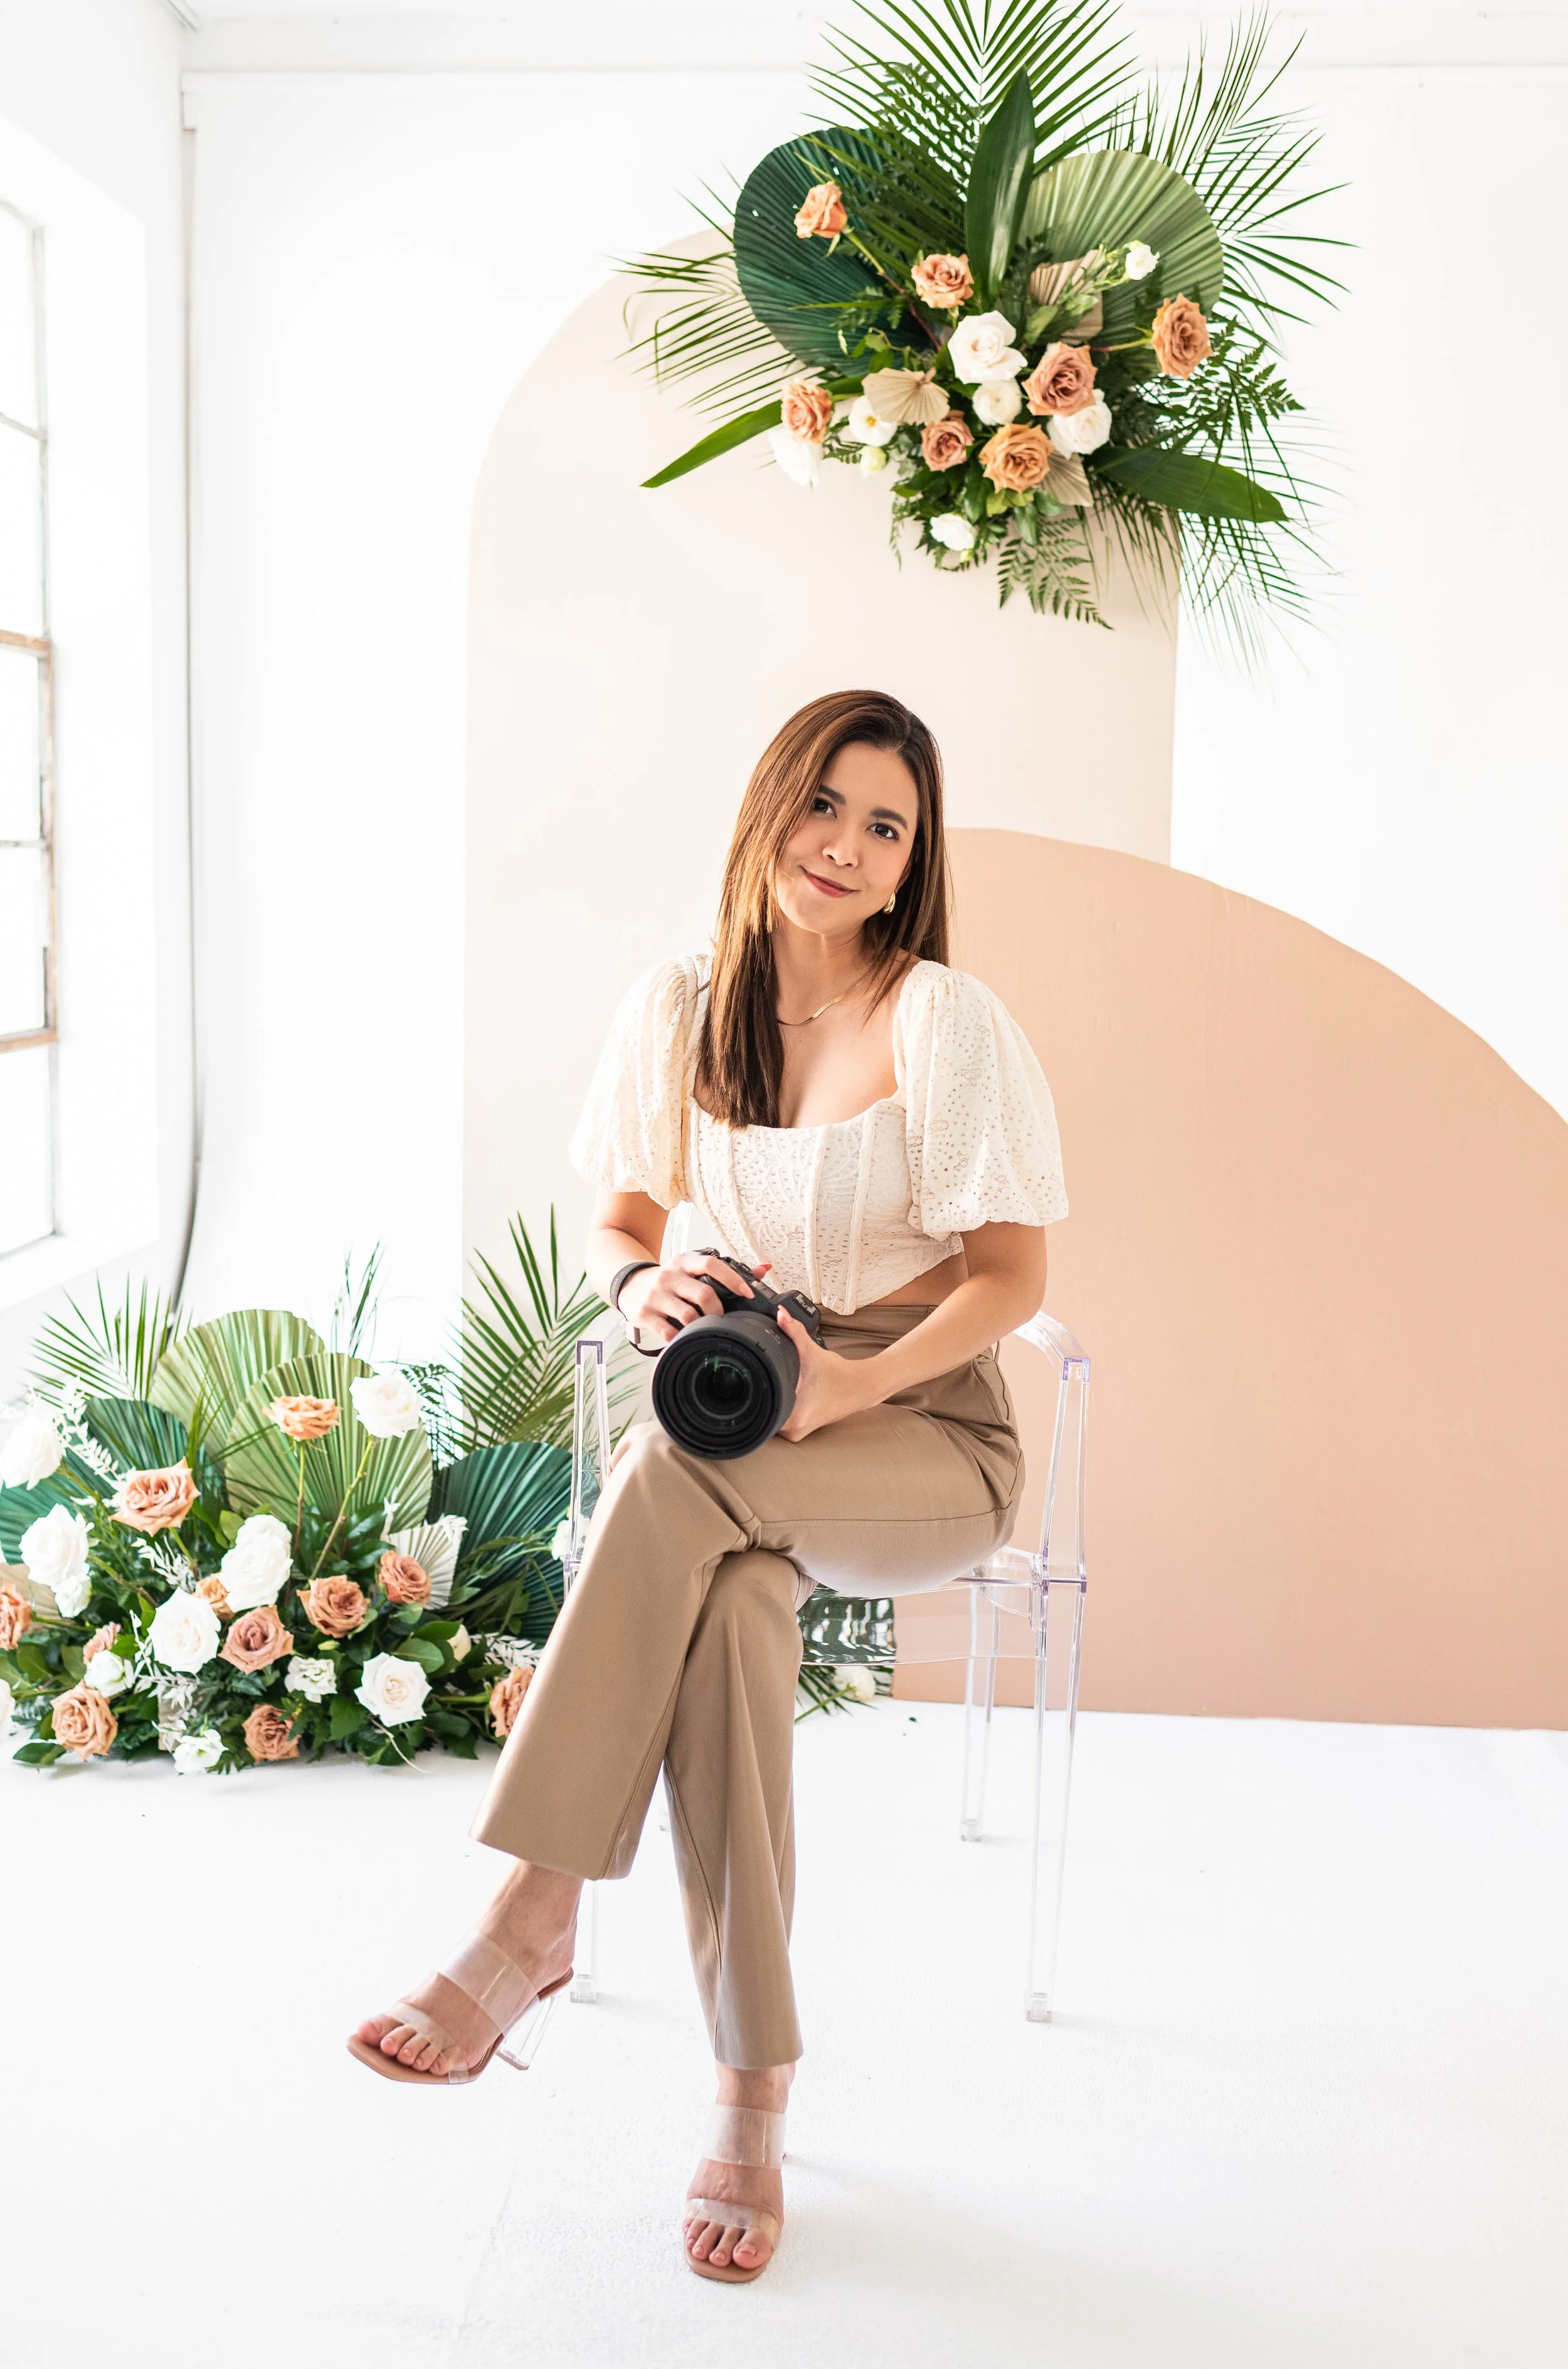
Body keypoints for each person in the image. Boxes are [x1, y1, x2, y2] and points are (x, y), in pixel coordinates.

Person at [350, 688, 1067, 2283]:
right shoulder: (683, 1003)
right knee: (735, 1607)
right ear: (767, 809)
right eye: (824, 803)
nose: (845, 844)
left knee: (672, 1476)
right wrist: (637, 1294)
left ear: (908, 864)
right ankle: (750, 2089)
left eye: (885, 825)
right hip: (741, 1432)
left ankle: (527, 1925)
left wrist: (851, 1382)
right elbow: (619, 1218)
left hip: (922, 1436)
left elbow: (1010, 1276)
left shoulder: (940, 1018)